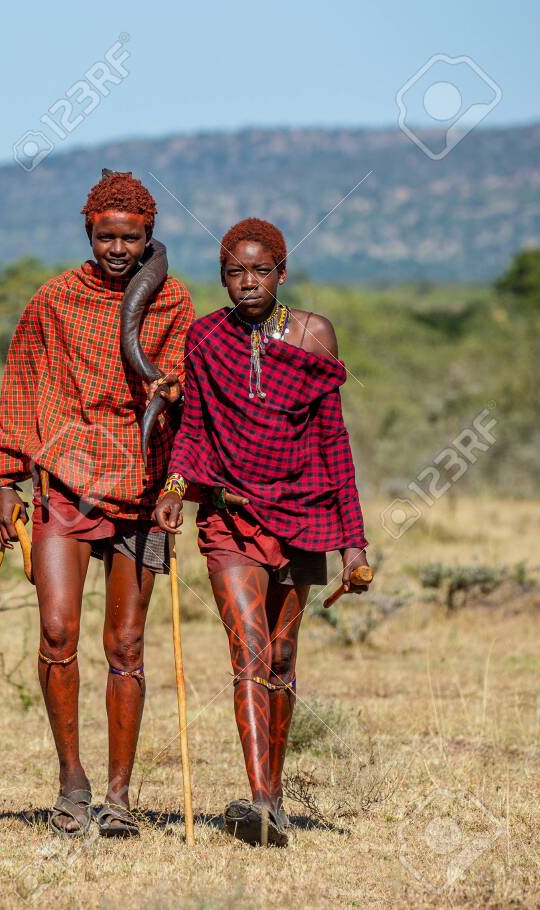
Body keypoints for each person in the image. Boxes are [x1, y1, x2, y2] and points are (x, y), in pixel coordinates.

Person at [0, 171, 194, 837]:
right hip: (64, 482)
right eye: (106, 236)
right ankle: (72, 780)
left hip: (142, 483)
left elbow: (190, 389)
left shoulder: (173, 303)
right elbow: (20, 383)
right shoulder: (53, 301)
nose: (117, 249)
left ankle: (120, 796)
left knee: (126, 643)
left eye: (131, 238)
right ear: (88, 233)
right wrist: (2, 480)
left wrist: (176, 483)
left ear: (148, 237)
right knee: (57, 632)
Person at [154, 217, 371, 847]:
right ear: (221, 277)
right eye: (233, 272)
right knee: (247, 648)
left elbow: (333, 438)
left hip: (304, 513)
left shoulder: (313, 334)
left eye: (259, 270)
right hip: (229, 514)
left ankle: (272, 790)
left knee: (281, 655)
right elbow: (193, 429)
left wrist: (352, 539)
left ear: (281, 272)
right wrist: (174, 488)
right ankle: (260, 803)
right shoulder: (204, 337)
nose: (246, 283)